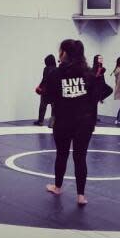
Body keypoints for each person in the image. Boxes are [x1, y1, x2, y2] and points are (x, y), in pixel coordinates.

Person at [44, 39, 97, 206]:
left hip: (63, 122)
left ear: (64, 53)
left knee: (62, 154)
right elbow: (95, 98)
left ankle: (58, 187)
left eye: (60, 51)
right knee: (80, 158)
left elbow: (48, 97)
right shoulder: (88, 73)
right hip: (84, 122)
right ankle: (81, 196)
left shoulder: (55, 74)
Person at [34, 54, 57, 127]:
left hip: (46, 91)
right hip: (54, 91)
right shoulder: (57, 69)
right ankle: (52, 123)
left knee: (42, 107)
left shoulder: (46, 69)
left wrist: (39, 87)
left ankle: (40, 121)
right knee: (54, 108)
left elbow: (44, 79)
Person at [92, 54, 113, 122]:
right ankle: (94, 118)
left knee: (110, 90)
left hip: (102, 84)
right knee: (95, 104)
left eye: (102, 58)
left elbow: (101, 76)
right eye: (99, 58)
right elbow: (95, 76)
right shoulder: (95, 67)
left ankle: (101, 98)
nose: (101, 59)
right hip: (97, 86)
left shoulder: (101, 66)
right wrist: (100, 71)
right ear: (96, 60)